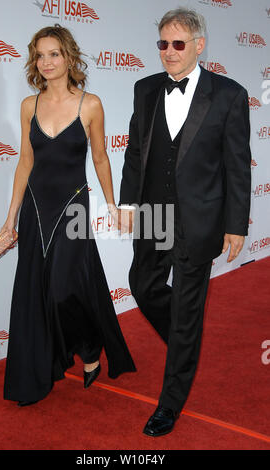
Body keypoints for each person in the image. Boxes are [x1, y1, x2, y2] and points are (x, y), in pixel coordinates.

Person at [119, 7, 251, 436]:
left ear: (199, 45)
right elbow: (136, 152)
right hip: (154, 213)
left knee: (189, 307)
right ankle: (184, 341)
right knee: (143, 284)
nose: (169, 52)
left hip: (201, 218)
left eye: (178, 44)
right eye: (163, 44)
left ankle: (169, 404)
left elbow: (237, 166)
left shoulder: (229, 94)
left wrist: (237, 223)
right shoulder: (145, 89)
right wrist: (126, 204)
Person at [1, 24, 136, 407]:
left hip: (73, 208)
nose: (46, 62)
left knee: (64, 290)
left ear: (69, 57)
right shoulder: (30, 105)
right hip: (34, 211)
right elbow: (25, 163)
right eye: (40, 55)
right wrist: (10, 219)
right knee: (33, 293)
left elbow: (100, 158)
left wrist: (113, 205)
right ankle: (38, 372)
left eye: (54, 54)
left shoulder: (89, 104)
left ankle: (90, 347)